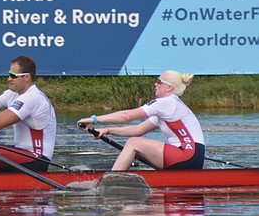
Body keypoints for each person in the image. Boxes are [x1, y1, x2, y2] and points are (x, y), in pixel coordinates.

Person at [77, 71, 205, 171]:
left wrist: (93, 119)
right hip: (193, 157)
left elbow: (127, 116)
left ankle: (111, 179)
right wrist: (108, 130)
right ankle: (122, 179)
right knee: (135, 143)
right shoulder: (170, 107)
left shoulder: (167, 102)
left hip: (187, 155)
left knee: (133, 143)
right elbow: (138, 129)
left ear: (169, 88)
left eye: (159, 81)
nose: (155, 84)